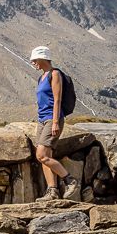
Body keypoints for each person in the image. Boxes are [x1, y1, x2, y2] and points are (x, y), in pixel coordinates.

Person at [29, 46, 80, 201]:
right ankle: (53, 192)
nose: (33, 63)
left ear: (43, 58)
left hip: (52, 119)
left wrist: (56, 122)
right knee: (45, 156)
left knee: (42, 155)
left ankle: (70, 180)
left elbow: (57, 99)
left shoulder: (54, 74)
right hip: (42, 119)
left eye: (35, 60)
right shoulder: (42, 77)